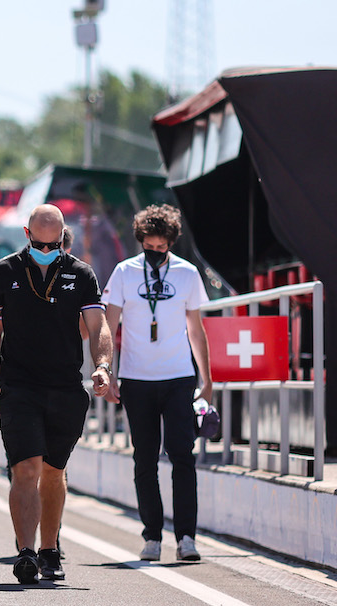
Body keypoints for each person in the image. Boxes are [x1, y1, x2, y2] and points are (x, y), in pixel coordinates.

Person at [0, 204, 112, 584]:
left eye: (55, 245)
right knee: (26, 468)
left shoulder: (81, 273)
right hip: (18, 388)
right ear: (27, 234)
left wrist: (102, 365)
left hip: (65, 388)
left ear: (64, 237)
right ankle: (26, 552)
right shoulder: (4, 271)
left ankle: (50, 548)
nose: (47, 251)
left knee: (53, 472)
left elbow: (98, 324)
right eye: (40, 244)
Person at [102, 204, 211, 563]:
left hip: (179, 376)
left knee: (183, 456)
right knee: (144, 458)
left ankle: (187, 538)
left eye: (161, 249)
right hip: (136, 379)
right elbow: (109, 325)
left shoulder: (187, 273)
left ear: (171, 244)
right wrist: (109, 371)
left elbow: (196, 328)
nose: (155, 255)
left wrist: (206, 378)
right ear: (140, 242)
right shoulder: (124, 272)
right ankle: (152, 536)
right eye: (149, 248)